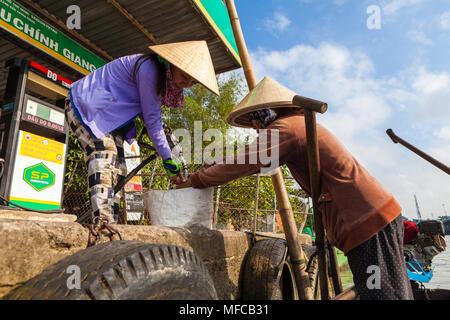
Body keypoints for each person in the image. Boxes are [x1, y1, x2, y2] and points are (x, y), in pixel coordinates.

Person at [178, 76, 414, 300]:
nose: (254, 127)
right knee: (381, 287)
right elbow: (247, 159)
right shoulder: (296, 126)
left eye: (255, 119)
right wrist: (213, 164)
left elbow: (244, 163)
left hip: (366, 221)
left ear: (268, 112)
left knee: (379, 290)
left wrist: (195, 180)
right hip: (372, 216)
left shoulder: (285, 129)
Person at [65, 40, 219, 223]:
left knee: (119, 170)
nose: (185, 84)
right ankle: (103, 223)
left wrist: (169, 154)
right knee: (104, 153)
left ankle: (110, 222)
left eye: (192, 82)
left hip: (110, 120)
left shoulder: (160, 78)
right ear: (172, 65)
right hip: (86, 106)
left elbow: (151, 118)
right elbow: (153, 123)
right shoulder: (150, 70)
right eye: (184, 77)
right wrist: (168, 160)